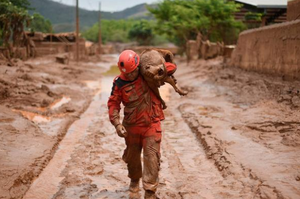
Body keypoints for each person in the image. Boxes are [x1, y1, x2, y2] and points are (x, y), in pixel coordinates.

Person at [107, 50, 165, 199]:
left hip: (151, 123)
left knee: (151, 157)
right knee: (132, 157)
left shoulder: (147, 74)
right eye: (128, 73)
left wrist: (159, 66)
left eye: (133, 72)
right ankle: (134, 180)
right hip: (131, 127)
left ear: (138, 66)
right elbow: (113, 103)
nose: (131, 76)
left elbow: (168, 68)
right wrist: (117, 124)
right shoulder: (119, 83)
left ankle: (150, 192)